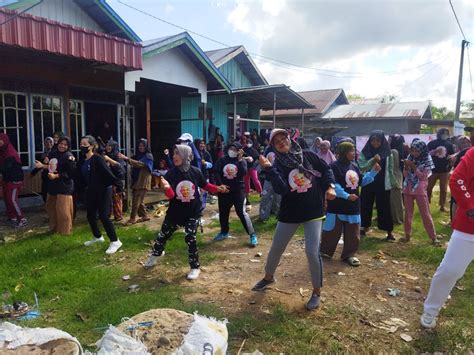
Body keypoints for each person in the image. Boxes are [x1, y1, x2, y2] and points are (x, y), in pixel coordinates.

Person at [252, 129, 336, 310]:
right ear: (273, 147)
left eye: (284, 139)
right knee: (276, 248)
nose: (282, 142)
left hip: (313, 210)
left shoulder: (308, 156)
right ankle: (268, 277)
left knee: (312, 252)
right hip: (290, 212)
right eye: (277, 142)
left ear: (290, 139)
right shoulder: (277, 165)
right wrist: (268, 168)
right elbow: (281, 189)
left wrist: (330, 187)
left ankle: (316, 292)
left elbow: (326, 169)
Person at [143, 145, 229, 279]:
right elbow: (171, 196)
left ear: (185, 156)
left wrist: (218, 188)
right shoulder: (171, 173)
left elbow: (205, 186)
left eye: (178, 153)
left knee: (191, 238)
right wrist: (166, 187)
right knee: (162, 236)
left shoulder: (195, 171)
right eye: (174, 154)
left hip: (192, 212)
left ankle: (195, 267)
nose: (174, 156)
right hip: (175, 213)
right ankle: (155, 255)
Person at [420, 146, 474, 329]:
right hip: (469, 227)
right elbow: (457, 179)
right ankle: (431, 309)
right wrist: (469, 206)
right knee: (451, 270)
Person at [320, 142, 380, 266]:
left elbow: (361, 181)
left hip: (353, 206)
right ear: (343, 152)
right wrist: (346, 196)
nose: (354, 153)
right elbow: (334, 185)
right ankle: (324, 252)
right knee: (331, 230)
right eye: (351, 151)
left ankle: (349, 254)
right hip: (337, 206)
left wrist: (373, 172)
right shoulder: (334, 167)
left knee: (353, 232)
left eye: (354, 150)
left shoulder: (354, 166)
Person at [76, 135, 123, 254]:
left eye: (85, 144)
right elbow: (80, 176)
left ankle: (115, 241)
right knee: (90, 215)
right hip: (91, 190)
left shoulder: (97, 158)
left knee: (103, 216)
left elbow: (107, 173)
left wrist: (118, 184)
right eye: (81, 144)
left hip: (103, 190)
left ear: (92, 146)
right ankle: (97, 237)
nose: (82, 146)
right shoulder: (82, 160)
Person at [214, 141, 258, 247]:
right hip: (224, 191)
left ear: (239, 151)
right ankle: (224, 232)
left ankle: (252, 234)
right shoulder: (222, 159)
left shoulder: (241, 161)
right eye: (231, 149)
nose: (232, 151)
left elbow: (243, 172)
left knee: (241, 213)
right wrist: (220, 185)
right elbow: (216, 172)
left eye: (235, 149)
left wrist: (239, 160)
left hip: (238, 191)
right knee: (223, 213)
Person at [359, 130, 396, 241]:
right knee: (365, 205)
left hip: (383, 183)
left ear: (382, 141)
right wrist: (372, 160)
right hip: (368, 182)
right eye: (373, 140)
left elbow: (390, 169)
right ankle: (365, 227)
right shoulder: (365, 152)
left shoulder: (388, 153)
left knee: (384, 207)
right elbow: (361, 166)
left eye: (378, 141)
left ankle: (389, 231)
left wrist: (392, 182)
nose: (375, 143)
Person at [400, 140, 439, 244]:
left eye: (416, 151)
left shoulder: (427, 159)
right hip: (408, 188)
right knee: (408, 213)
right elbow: (405, 175)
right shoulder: (410, 157)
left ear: (422, 150)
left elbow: (423, 177)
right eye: (412, 150)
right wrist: (406, 167)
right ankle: (407, 235)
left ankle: (433, 237)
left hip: (420, 189)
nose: (414, 153)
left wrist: (414, 167)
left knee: (425, 213)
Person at [35, 136, 75, 234]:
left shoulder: (69, 156)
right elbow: (51, 166)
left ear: (68, 146)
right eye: (61, 143)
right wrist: (42, 165)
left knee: (63, 212)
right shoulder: (53, 153)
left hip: (64, 187)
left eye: (65, 145)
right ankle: (54, 228)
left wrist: (56, 176)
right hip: (53, 186)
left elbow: (71, 173)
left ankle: (65, 232)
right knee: (50, 208)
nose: (62, 146)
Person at [121, 139, 153, 225]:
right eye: (139, 146)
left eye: (143, 146)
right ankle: (144, 216)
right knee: (139, 199)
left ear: (146, 147)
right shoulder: (139, 155)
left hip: (143, 181)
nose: (141, 147)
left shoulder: (148, 156)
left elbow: (139, 164)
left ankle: (132, 218)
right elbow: (134, 161)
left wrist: (126, 158)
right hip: (137, 180)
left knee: (136, 199)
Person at [0, 133, 27, 227]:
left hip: (15, 180)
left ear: (5, 141)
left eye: (1, 141)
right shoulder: (2, 151)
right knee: (7, 199)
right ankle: (13, 217)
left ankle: (22, 218)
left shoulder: (10, 153)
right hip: (7, 179)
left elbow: (4, 167)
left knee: (12, 200)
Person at [427, 128, 455, 212]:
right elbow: (425, 154)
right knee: (428, 188)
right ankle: (426, 205)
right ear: (439, 134)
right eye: (443, 133)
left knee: (443, 189)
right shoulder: (432, 143)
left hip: (444, 170)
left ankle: (442, 206)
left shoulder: (449, 145)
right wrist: (435, 151)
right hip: (433, 170)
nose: (445, 135)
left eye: (446, 133)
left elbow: (452, 155)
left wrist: (451, 161)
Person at [103, 139, 126, 222]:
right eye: (107, 145)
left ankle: (118, 215)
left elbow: (120, 167)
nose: (108, 147)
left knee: (117, 198)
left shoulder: (117, 155)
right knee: (109, 199)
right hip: (110, 179)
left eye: (110, 146)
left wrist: (109, 159)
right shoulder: (106, 155)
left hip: (118, 180)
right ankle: (109, 214)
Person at [259, 144, 281, 222]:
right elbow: (263, 162)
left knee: (278, 198)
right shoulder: (268, 149)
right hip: (268, 177)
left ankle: (279, 216)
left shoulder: (282, 148)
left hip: (280, 177)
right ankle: (263, 217)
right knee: (265, 197)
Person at [241, 133, 262, 211]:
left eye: (249, 143)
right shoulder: (243, 150)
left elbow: (257, 158)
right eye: (247, 143)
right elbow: (240, 156)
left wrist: (253, 160)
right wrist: (246, 158)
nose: (248, 144)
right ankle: (247, 194)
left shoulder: (254, 150)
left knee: (255, 180)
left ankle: (261, 192)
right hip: (246, 167)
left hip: (253, 167)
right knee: (246, 182)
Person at [31, 137, 54, 202]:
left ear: (53, 143)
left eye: (50, 142)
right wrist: (32, 174)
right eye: (46, 142)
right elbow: (39, 166)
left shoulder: (55, 153)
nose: (48, 144)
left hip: (53, 177)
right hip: (45, 177)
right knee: (44, 193)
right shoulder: (43, 154)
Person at [389, 135, 406, 225]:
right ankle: (398, 218)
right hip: (398, 175)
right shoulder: (401, 151)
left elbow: (391, 167)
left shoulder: (393, 152)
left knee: (394, 199)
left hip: (393, 177)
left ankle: (396, 218)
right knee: (397, 199)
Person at [196, 138, 213, 211]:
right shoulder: (194, 154)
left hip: (204, 175)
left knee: (204, 192)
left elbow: (211, 164)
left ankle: (202, 208)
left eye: (203, 143)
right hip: (195, 176)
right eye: (200, 143)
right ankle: (196, 207)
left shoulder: (206, 153)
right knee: (196, 192)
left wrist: (205, 163)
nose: (202, 145)